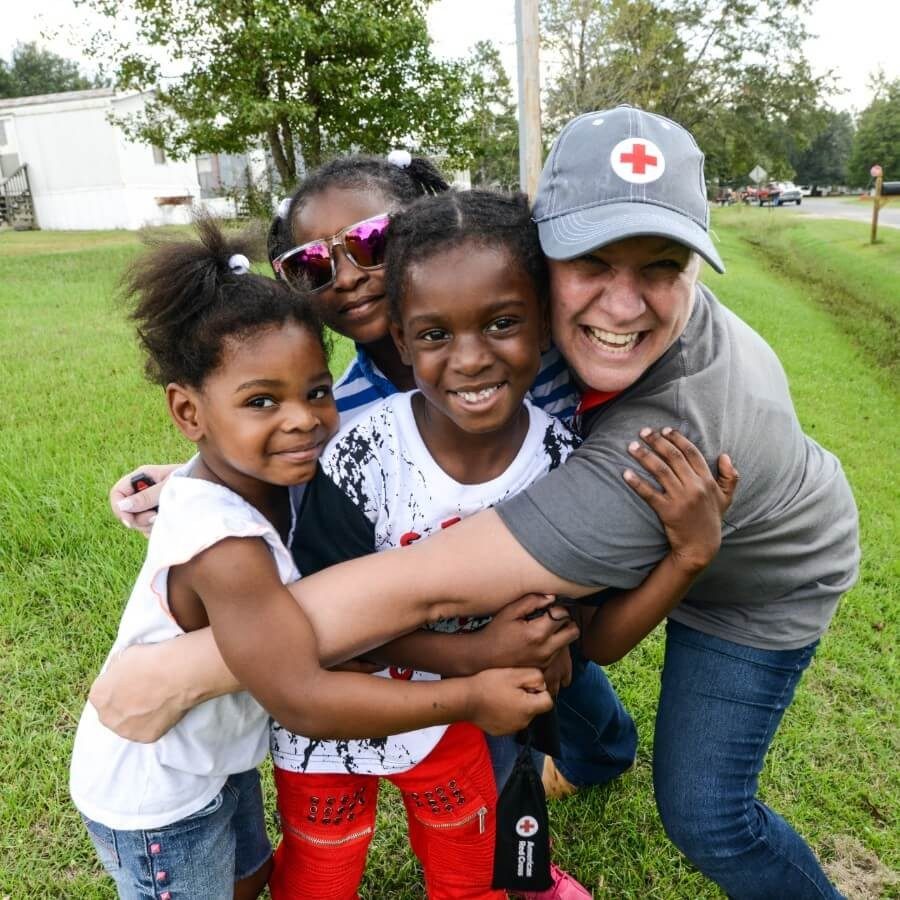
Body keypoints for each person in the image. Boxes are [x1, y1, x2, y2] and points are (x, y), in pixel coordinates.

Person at [96, 106, 860, 899]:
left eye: (661, 266)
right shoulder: (382, 388)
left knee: (693, 803)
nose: (622, 306)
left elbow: (447, 592)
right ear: (546, 255)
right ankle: (599, 751)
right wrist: (197, 474)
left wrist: (178, 671)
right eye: (315, 263)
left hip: (749, 577)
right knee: (536, 631)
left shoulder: (641, 428)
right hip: (542, 595)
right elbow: (306, 429)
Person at [113, 152, 636, 808]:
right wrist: (184, 480)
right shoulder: (345, 404)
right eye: (313, 263)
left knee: (575, 688)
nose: (350, 275)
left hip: (551, 576)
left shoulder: (544, 344)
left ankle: (601, 752)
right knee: (506, 731)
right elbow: (278, 458)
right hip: (451, 608)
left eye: (370, 242)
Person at [268, 189, 733, 900]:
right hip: (343, 721)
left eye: (503, 324)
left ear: (542, 322)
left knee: (483, 850)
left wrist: (688, 556)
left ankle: (530, 873)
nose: (472, 360)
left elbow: (594, 641)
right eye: (434, 336)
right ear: (401, 339)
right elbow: (321, 627)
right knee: (322, 868)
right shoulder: (361, 452)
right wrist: (473, 660)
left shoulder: (565, 463)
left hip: (486, 720)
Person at [70, 218, 553, 900]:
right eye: (262, 401)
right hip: (157, 792)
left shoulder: (273, 480)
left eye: (317, 392)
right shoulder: (225, 545)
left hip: (216, 760)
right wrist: (469, 696)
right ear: (188, 411)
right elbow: (301, 696)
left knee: (248, 877)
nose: (302, 420)